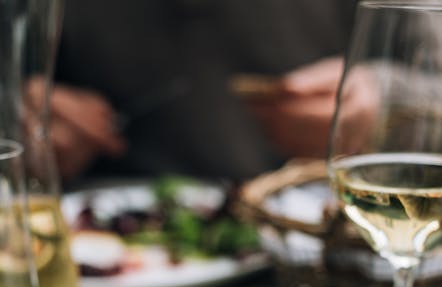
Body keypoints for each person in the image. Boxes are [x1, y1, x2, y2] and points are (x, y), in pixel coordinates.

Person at [51, 0, 359, 184]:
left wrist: (387, 103)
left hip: (312, 242)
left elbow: (403, 56)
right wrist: (19, 114)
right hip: (101, 239)